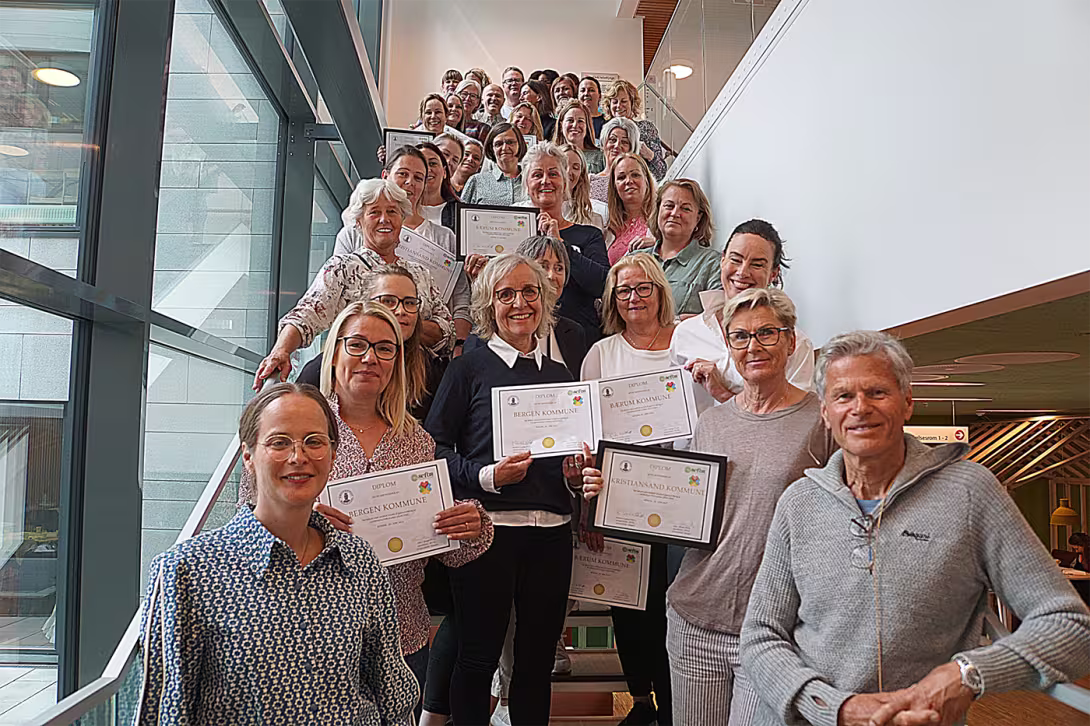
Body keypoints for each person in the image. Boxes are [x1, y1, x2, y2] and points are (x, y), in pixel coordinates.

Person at [740, 330, 1090, 726]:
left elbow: (1068, 626)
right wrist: (835, 708)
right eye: (843, 396)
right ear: (825, 412)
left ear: (907, 403)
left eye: (877, 392)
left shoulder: (970, 493)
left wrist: (967, 674)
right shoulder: (799, 502)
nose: (860, 408)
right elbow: (761, 636)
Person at [250, 303, 494, 721]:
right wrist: (304, 522)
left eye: (385, 349)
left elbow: (439, 544)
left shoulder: (414, 439)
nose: (370, 358)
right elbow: (248, 521)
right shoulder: (294, 425)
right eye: (358, 344)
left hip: (402, 635)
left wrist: (471, 526)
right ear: (334, 352)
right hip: (313, 636)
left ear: (397, 362)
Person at [136, 382, 418, 724]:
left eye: (314, 442)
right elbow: (165, 712)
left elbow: (392, 695)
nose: (298, 457)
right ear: (249, 456)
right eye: (279, 442)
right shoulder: (186, 572)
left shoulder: (359, 562)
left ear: (332, 454)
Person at [425, 254, 582, 726]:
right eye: (505, 294)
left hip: (552, 535)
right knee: (477, 661)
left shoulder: (561, 376)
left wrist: (575, 476)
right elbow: (433, 452)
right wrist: (487, 477)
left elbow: (568, 458)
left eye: (530, 291)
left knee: (534, 666)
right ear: (488, 305)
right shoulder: (467, 369)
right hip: (487, 533)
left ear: (546, 298)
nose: (520, 303)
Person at [579, 253, 679, 726]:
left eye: (643, 288)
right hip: (620, 495)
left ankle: (676, 702)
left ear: (661, 291)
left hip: (684, 496)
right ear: (612, 301)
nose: (634, 297)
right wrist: (589, 507)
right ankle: (642, 701)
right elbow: (586, 436)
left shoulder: (688, 344)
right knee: (629, 605)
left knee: (674, 603)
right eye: (624, 291)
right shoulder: (602, 353)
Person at [255, 177, 455, 387]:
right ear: (359, 222)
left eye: (392, 212)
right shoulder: (342, 267)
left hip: (411, 379)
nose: (384, 219)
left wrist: (407, 327)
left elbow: (447, 330)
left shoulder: (420, 273)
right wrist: (281, 351)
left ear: (402, 219)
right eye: (375, 212)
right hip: (353, 377)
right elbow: (307, 313)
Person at [671, 219, 815, 414]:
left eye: (757, 264)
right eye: (735, 259)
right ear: (722, 260)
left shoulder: (794, 345)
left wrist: (721, 393)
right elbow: (671, 407)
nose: (742, 272)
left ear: (773, 273)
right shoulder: (686, 333)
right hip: (690, 445)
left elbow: (793, 424)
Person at [520, 142, 608, 342]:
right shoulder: (514, 236)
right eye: (537, 175)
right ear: (526, 184)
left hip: (578, 341)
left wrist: (560, 244)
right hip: (524, 340)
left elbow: (603, 284)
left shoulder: (589, 235)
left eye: (553, 174)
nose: (545, 181)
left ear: (566, 183)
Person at [641, 178, 722, 317]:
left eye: (685, 208)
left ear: (698, 217)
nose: (675, 213)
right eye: (669, 206)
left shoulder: (713, 264)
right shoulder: (634, 259)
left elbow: (716, 320)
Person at [603, 79, 667, 180]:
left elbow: (661, 172)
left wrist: (649, 154)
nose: (619, 106)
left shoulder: (646, 129)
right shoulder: (605, 131)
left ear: (632, 104)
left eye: (624, 101)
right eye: (615, 102)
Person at [605, 152, 656, 264]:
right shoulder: (607, 226)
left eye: (635, 175)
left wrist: (656, 245)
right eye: (621, 177)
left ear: (646, 180)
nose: (629, 181)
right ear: (614, 186)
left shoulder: (661, 220)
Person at [460, 123, 528, 206]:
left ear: (520, 145)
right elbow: (462, 214)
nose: (504, 148)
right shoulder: (477, 181)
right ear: (491, 149)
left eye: (510, 142)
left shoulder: (532, 180)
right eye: (498, 144)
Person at [590, 116, 641, 203]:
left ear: (632, 148)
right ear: (604, 144)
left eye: (624, 142)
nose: (617, 145)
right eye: (612, 140)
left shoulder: (638, 182)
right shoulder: (590, 181)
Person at [557, 144, 606, 229]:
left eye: (575, 168)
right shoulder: (533, 213)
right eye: (564, 165)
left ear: (581, 176)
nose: (569, 172)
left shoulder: (594, 221)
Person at [552, 99, 604, 174]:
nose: (575, 125)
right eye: (570, 120)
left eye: (580, 121)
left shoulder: (600, 158)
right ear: (561, 125)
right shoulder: (551, 157)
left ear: (587, 126)